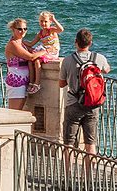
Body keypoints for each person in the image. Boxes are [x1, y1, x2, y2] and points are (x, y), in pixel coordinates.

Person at [59, 28, 110, 157]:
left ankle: (67, 174)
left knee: (69, 143)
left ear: (75, 42)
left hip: (73, 103)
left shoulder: (67, 60)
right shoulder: (99, 58)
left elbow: (61, 84)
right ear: (90, 43)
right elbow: (107, 69)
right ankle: (88, 176)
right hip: (92, 104)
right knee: (90, 144)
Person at [3, 19, 41, 112]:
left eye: (25, 29)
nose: (23, 31)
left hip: (24, 80)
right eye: (20, 29)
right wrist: (48, 50)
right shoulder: (12, 44)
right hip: (16, 81)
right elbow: (31, 57)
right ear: (13, 29)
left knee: (20, 112)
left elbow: (33, 51)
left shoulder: (22, 43)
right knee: (14, 112)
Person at [27, 11, 64, 93]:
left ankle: (37, 84)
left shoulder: (51, 30)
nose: (43, 23)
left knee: (37, 61)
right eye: (41, 21)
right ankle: (31, 82)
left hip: (52, 52)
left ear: (50, 22)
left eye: (46, 21)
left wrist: (54, 20)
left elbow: (61, 29)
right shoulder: (40, 33)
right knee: (30, 61)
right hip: (45, 50)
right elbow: (31, 43)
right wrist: (20, 41)